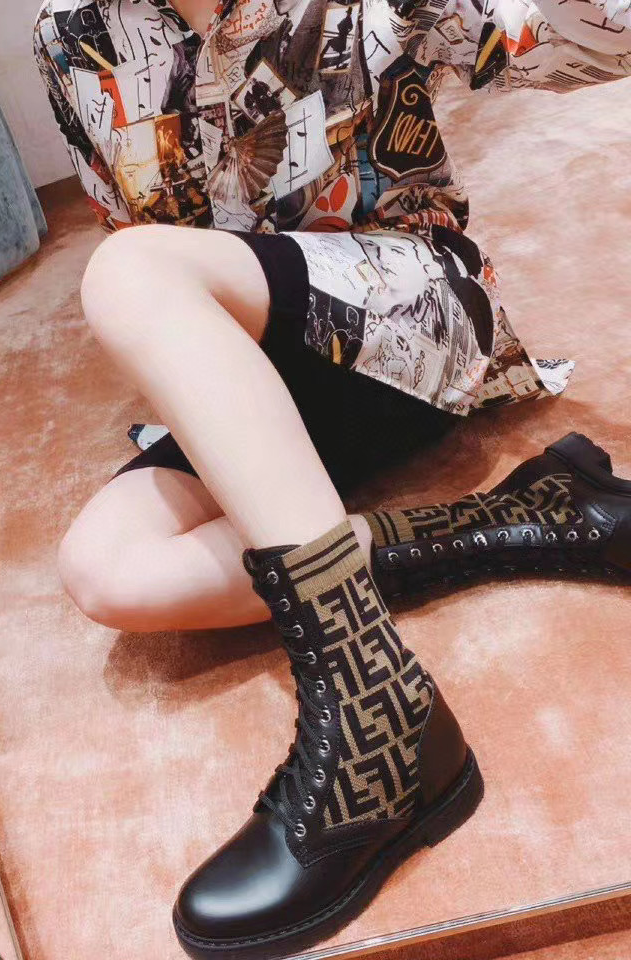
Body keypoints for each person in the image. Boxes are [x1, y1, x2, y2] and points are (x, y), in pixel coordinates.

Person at [33, 1, 631, 955]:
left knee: (125, 271)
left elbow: (559, 38)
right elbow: (148, 230)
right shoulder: (72, 33)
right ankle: (527, 517)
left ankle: (372, 709)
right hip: (262, 365)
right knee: (106, 571)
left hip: (410, 322)